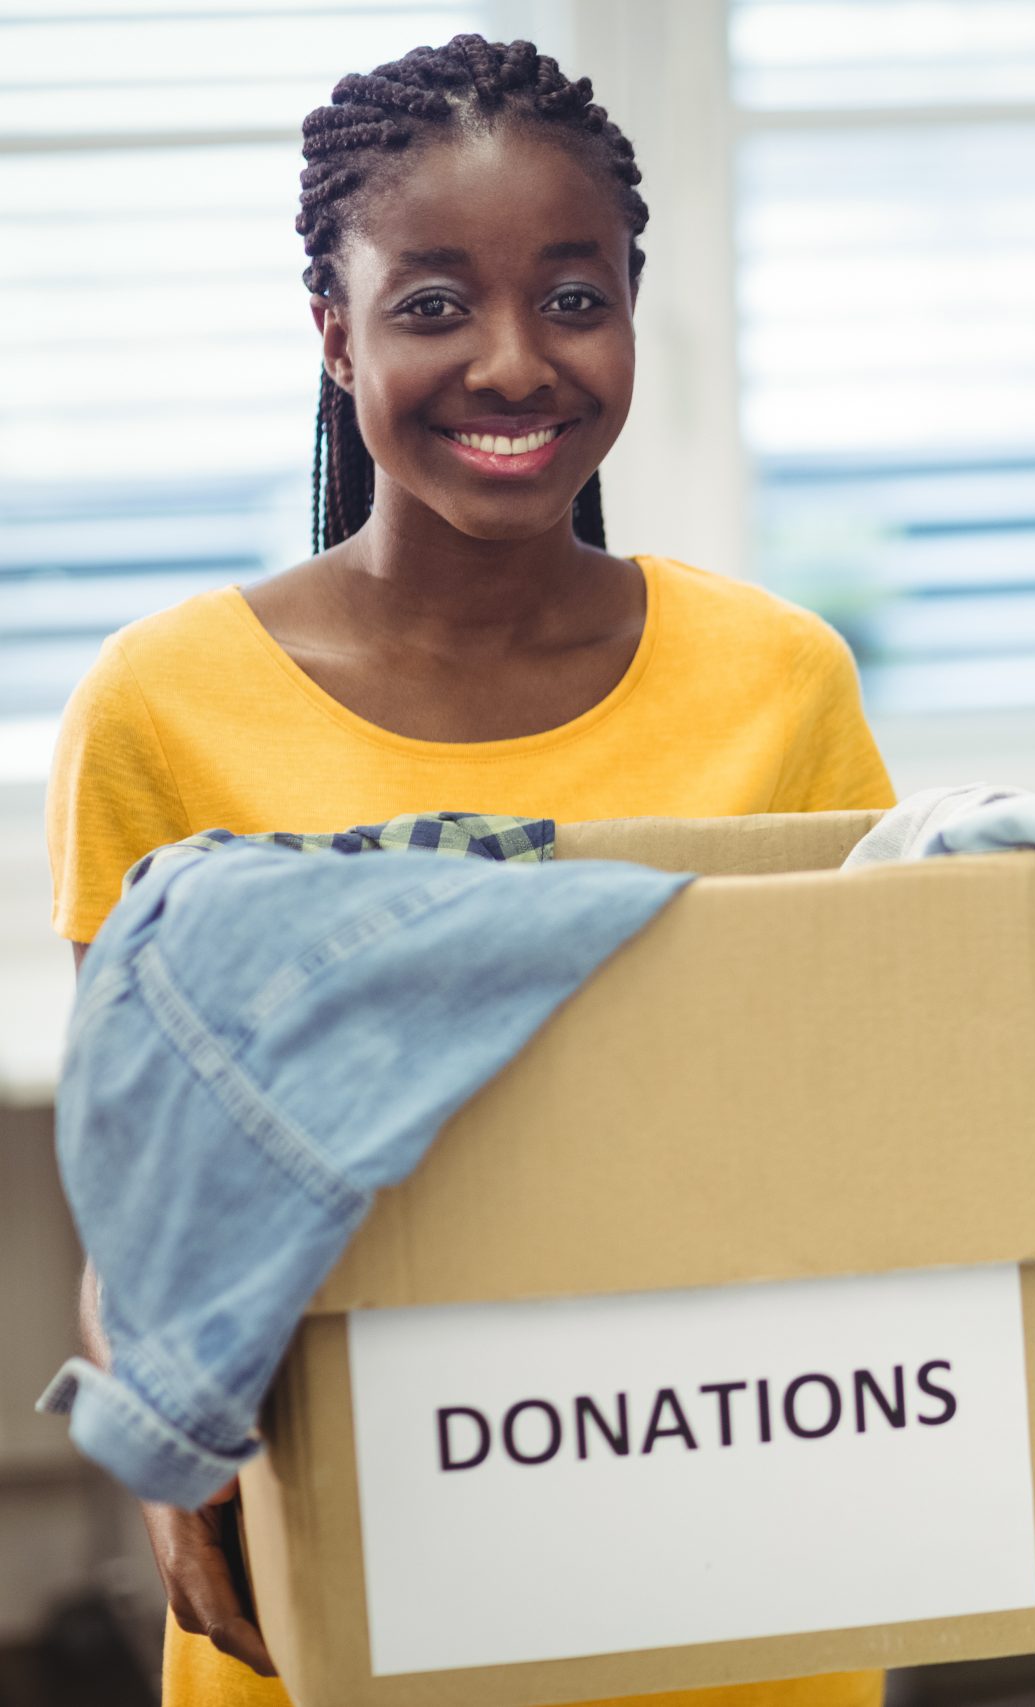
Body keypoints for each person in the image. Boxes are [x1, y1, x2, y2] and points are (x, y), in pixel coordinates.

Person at [45, 35, 894, 1707]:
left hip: (718, 1553)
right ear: (334, 330)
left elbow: (867, 1138)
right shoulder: (163, 706)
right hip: (347, 1570)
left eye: (572, 298)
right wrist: (162, 1443)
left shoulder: (781, 683)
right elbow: (142, 1190)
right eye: (434, 304)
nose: (515, 363)